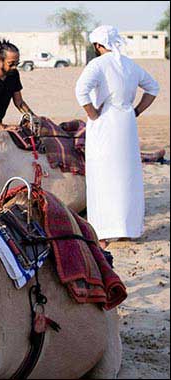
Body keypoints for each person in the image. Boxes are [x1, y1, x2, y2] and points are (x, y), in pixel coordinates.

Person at [75, 25, 159, 250]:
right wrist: (137, 110)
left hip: (105, 123)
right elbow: (153, 88)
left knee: (102, 175)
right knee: (126, 175)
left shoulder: (98, 64)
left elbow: (80, 91)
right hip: (126, 123)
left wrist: (93, 115)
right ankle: (127, 230)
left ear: (98, 45)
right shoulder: (130, 64)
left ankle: (103, 232)